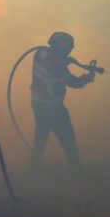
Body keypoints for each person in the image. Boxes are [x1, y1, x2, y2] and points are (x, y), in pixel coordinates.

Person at [29, 32, 94, 169]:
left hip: (38, 103)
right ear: (61, 45)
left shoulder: (41, 53)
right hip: (52, 106)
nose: (71, 49)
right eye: (70, 46)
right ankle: (74, 165)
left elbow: (50, 62)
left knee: (41, 133)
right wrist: (87, 78)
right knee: (67, 135)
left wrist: (64, 59)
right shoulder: (58, 65)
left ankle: (34, 164)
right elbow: (74, 82)